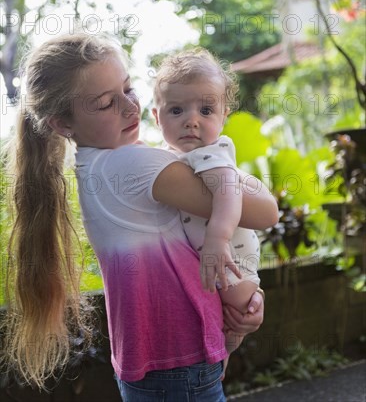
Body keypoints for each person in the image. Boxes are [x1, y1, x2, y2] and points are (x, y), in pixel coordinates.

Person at [3, 33, 278, 401]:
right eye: (105, 104)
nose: (130, 108)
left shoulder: (102, 164)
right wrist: (218, 157)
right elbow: (265, 210)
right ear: (62, 124)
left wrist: (244, 298)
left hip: (157, 364)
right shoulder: (131, 167)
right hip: (178, 364)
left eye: (128, 89)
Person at [152, 49, 267, 359]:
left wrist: (219, 237)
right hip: (211, 259)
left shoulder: (210, 152)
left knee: (238, 302)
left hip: (230, 257)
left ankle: (231, 345)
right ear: (156, 116)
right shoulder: (170, 156)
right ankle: (226, 353)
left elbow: (228, 193)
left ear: (223, 116)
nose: (192, 121)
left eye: (205, 110)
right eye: (176, 111)